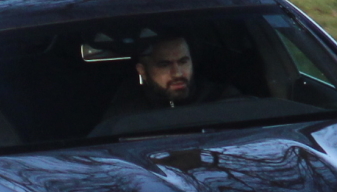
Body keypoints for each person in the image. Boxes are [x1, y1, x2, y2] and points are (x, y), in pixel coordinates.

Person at [96, 32, 237, 134]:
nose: (178, 73)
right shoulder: (124, 117)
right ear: (143, 71)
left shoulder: (224, 100)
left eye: (183, 62)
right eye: (164, 65)